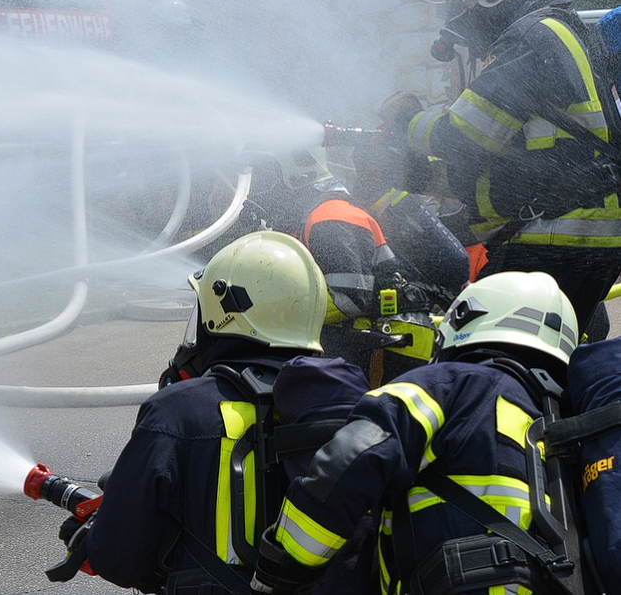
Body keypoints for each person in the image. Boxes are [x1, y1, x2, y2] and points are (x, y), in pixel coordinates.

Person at [63, 230, 374, 593]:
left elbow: (119, 559)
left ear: (225, 312)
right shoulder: (351, 406)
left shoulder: (176, 413)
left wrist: (93, 539)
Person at [250, 270, 586, 594]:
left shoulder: (448, 385)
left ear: (466, 321)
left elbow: (352, 457)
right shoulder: (571, 421)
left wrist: (286, 566)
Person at [384, 0, 621, 340]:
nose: (454, 5)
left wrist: (405, 120)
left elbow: (458, 139)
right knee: (542, 366)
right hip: (571, 236)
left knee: (482, 354)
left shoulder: (531, 39)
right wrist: (419, 176)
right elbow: (516, 161)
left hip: (555, 240)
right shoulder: (550, 32)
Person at [240, 145, 451, 385]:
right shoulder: (313, 216)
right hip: (373, 339)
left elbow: (349, 299)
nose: (260, 190)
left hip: (393, 346)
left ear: (299, 176)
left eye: (267, 179)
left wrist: (277, 314)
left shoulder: (330, 216)